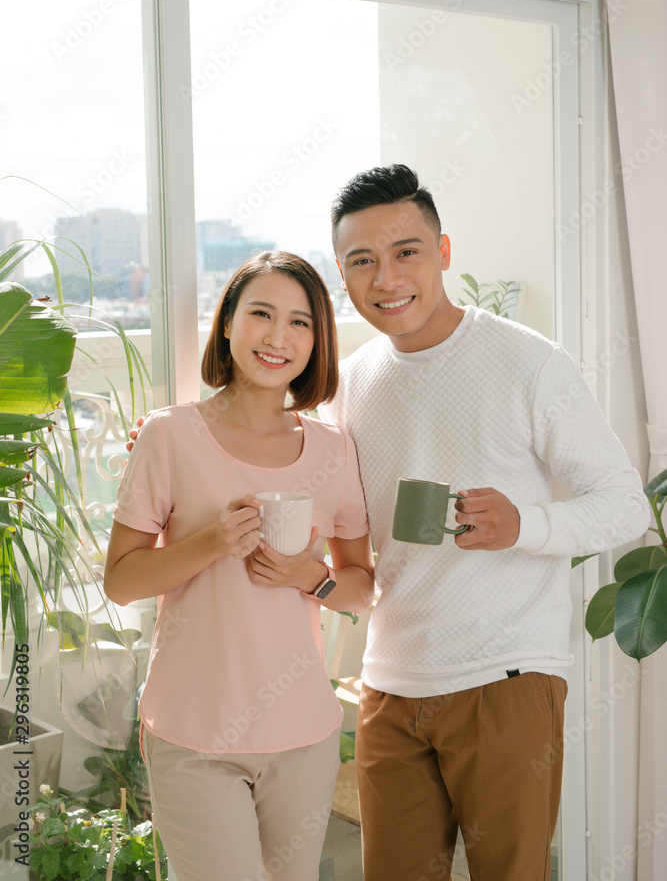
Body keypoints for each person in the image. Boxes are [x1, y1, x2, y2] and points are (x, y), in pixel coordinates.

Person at [316, 164, 650, 881]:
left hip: (504, 675)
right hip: (389, 684)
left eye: (405, 251)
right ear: (341, 274)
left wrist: (522, 523)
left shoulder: (528, 362)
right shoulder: (350, 384)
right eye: (361, 261)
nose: (385, 277)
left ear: (441, 252)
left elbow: (621, 504)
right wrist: (176, 442)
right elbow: (293, 469)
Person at [104, 251, 374, 881]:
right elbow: (120, 581)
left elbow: (361, 588)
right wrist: (211, 541)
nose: (279, 337)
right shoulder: (168, 436)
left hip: (303, 732)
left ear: (318, 340)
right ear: (227, 323)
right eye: (260, 313)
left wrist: (309, 577)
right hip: (194, 734)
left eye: (300, 322)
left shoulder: (334, 450)